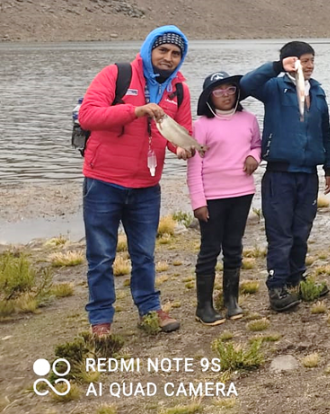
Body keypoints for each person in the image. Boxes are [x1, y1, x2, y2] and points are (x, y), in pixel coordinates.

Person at [79, 25, 194, 337]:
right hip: (103, 182)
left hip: (146, 187)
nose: (168, 57)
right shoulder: (116, 74)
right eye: (163, 50)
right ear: (149, 50)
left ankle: (150, 309)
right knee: (101, 256)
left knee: (144, 254)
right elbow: (88, 116)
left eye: (176, 53)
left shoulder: (179, 90)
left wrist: (181, 148)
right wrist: (135, 111)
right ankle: (101, 319)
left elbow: (180, 130)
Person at [240, 41, 330, 312]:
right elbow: (245, 84)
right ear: (290, 62)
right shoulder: (274, 86)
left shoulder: (317, 90)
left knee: (301, 231)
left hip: (309, 174)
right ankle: (277, 285)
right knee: (280, 233)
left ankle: (297, 278)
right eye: (304, 60)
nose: (310, 65)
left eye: (312, 60)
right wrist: (275, 67)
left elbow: (324, 130)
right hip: (279, 174)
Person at [187, 71, 261, 325]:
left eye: (230, 89)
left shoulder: (249, 118)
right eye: (218, 91)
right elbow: (194, 166)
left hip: (242, 192)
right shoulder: (201, 125)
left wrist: (254, 156)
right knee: (210, 249)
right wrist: (198, 201)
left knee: (234, 247)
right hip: (212, 196)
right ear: (209, 96)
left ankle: (231, 300)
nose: (226, 95)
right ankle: (204, 306)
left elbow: (257, 145)